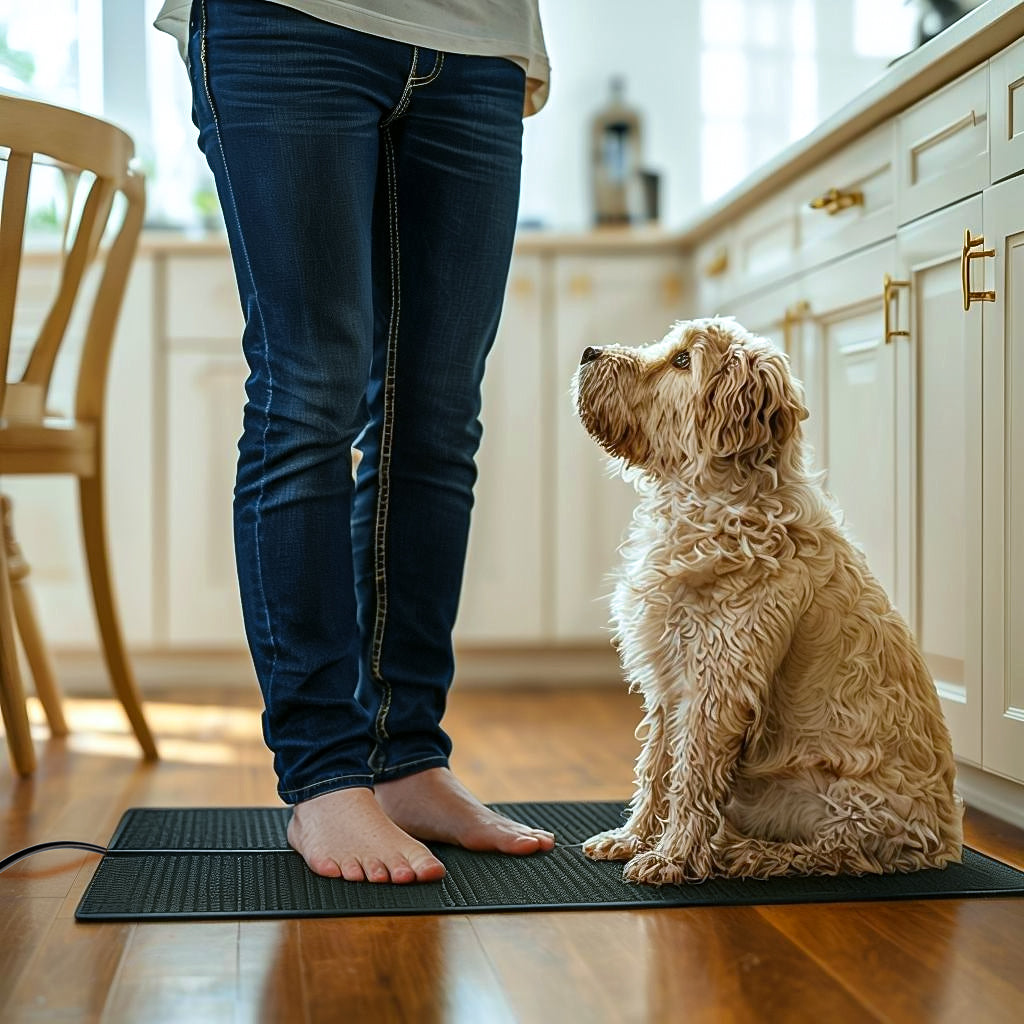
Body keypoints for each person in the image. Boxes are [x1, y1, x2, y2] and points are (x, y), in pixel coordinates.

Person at [154, 0, 554, 883]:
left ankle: (407, 760)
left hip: (480, 40)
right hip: (288, 22)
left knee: (438, 417)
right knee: (310, 394)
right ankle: (326, 777)